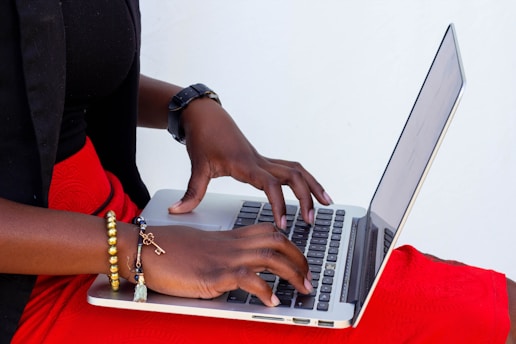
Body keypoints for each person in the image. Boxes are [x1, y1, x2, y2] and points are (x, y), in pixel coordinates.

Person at [1, 1, 514, 343]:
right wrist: (138, 249)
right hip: (33, 291)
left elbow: (41, 80)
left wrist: (190, 108)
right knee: (450, 316)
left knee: (414, 281)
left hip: (112, 224)